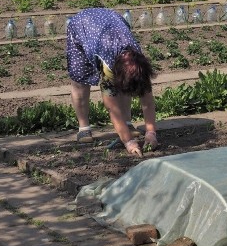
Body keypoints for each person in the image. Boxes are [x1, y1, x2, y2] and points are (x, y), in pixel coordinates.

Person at [66, 8, 158, 157]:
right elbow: (112, 108)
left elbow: (147, 102)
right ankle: (84, 128)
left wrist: (151, 132)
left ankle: (126, 124)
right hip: (83, 26)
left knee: (125, 85)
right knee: (80, 82)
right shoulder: (109, 67)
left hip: (112, 22)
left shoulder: (139, 66)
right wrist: (128, 142)